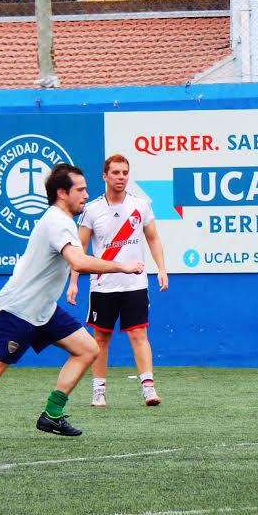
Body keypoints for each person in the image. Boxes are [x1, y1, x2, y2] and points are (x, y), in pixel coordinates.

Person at [0, 164, 144, 442]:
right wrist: (122, 267)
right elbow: (78, 262)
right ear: (61, 192)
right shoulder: (57, 221)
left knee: (87, 349)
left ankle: (52, 415)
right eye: (79, 189)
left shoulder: (63, 221)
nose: (85, 194)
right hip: (19, 310)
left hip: (43, 310)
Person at [66, 154, 168, 407]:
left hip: (135, 284)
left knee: (138, 334)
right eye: (115, 173)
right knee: (100, 338)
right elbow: (80, 248)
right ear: (105, 175)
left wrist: (162, 269)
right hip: (103, 286)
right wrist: (74, 282)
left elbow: (153, 238)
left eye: (124, 173)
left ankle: (148, 388)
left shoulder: (141, 205)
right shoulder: (91, 210)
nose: (121, 177)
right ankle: (98, 392)